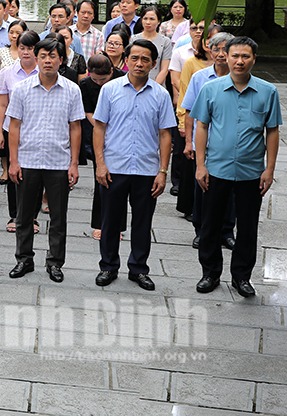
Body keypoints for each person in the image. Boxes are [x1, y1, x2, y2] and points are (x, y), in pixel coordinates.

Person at [193, 36, 281, 297]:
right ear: (225, 56)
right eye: (235, 56)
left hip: (251, 171)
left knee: (247, 226)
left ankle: (241, 277)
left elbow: (272, 131)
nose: (239, 61)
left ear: (254, 58)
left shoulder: (268, 91)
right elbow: (202, 126)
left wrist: (270, 169)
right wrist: (200, 164)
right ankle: (210, 273)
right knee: (210, 224)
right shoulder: (211, 89)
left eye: (245, 56)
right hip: (216, 169)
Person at [93, 39, 176, 291]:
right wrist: (100, 164)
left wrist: (163, 172)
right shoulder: (110, 89)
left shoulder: (160, 94)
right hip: (114, 167)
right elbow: (99, 127)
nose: (139, 63)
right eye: (134, 58)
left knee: (143, 221)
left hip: (146, 170)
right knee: (110, 221)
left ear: (153, 64)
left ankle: (138, 269)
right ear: (126, 60)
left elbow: (165, 134)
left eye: (145, 60)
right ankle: (108, 266)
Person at [6, 37, 84, 283]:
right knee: (24, 216)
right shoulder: (21, 89)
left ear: (61, 60)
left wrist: (73, 163)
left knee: (58, 217)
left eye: (53, 56)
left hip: (58, 163)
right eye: (43, 56)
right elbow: (15, 126)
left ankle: (55, 262)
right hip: (28, 161)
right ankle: (24, 259)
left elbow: (75, 128)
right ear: (36, 58)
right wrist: (13, 161)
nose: (47, 60)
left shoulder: (72, 90)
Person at [181, 32, 237, 247]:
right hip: (203, 142)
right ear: (209, 51)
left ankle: (226, 232)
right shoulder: (200, 78)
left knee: (230, 189)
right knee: (202, 187)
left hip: (229, 144)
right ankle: (201, 230)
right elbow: (189, 112)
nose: (221, 54)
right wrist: (189, 142)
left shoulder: (239, 77)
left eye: (225, 49)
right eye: (216, 49)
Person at [0, 30, 39, 232]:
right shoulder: (7, 72)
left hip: (37, 130)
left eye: (30, 48)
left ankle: (33, 217)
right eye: (22, 48)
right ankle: (14, 215)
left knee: (36, 175)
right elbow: (2, 104)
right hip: (12, 129)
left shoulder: (45, 72)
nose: (26, 52)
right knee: (14, 171)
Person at [79, 55, 117, 240]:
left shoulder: (121, 79)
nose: (100, 83)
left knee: (120, 183)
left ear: (111, 71)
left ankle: (116, 226)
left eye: (103, 79)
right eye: (95, 79)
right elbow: (88, 111)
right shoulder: (85, 85)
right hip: (97, 132)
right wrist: (101, 126)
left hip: (120, 135)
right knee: (100, 179)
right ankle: (100, 224)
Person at [138, 6, 173, 85]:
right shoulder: (134, 39)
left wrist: (154, 87)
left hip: (157, 85)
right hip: (136, 84)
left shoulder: (165, 41)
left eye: (152, 19)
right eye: (145, 18)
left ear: (159, 21)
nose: (148, 22)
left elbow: (164, 69)